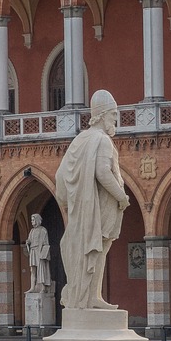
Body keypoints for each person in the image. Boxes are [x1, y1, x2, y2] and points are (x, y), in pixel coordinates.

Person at [54, 90, 128, 310]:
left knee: (90, 249)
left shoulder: (80, 140)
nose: (115, 119)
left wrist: (70, 200)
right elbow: (103, 173)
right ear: (103, 115)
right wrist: (121, 197)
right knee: (98, 250)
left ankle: (89, 296)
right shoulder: (102, 140)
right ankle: (92, 297)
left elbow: (60, 176)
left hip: (82, 209)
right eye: (113, 114)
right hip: (100, 206)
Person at [26, 213, 52, 292]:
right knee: (33, 270)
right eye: (31, 220)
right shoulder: (32, 231)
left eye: (33, 220)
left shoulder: (43, 230)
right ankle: (32, 287)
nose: (32, 221)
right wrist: (28, 242)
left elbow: (46, 243)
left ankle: (43, 287)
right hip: (33, 250)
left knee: (41, 269)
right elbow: (30, 240)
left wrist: (43, 253)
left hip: (39, 251)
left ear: (37, 220)